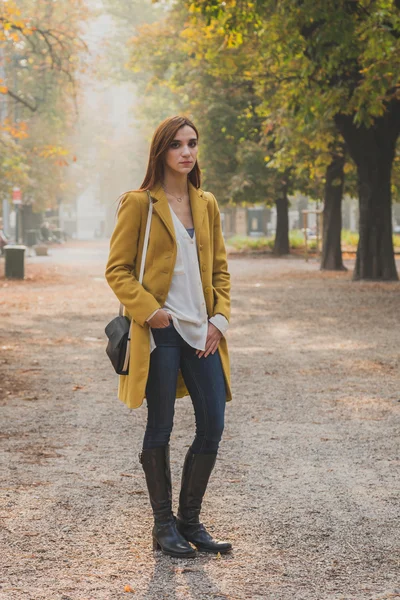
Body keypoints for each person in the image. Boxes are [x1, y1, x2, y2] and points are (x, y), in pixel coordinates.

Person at [105, 115, 232, 559]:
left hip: (203, 332)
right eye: (176, 144)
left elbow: (219, 270)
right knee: (160, 427)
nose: (186, 152)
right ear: (160, 151)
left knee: (213, 423)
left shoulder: (207, 203)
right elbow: (117, 270)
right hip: (160, 334)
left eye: (192, 143)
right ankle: (163, 525)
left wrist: (220, 319)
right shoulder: (139, 202)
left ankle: (189, 520)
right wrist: (152, 312)